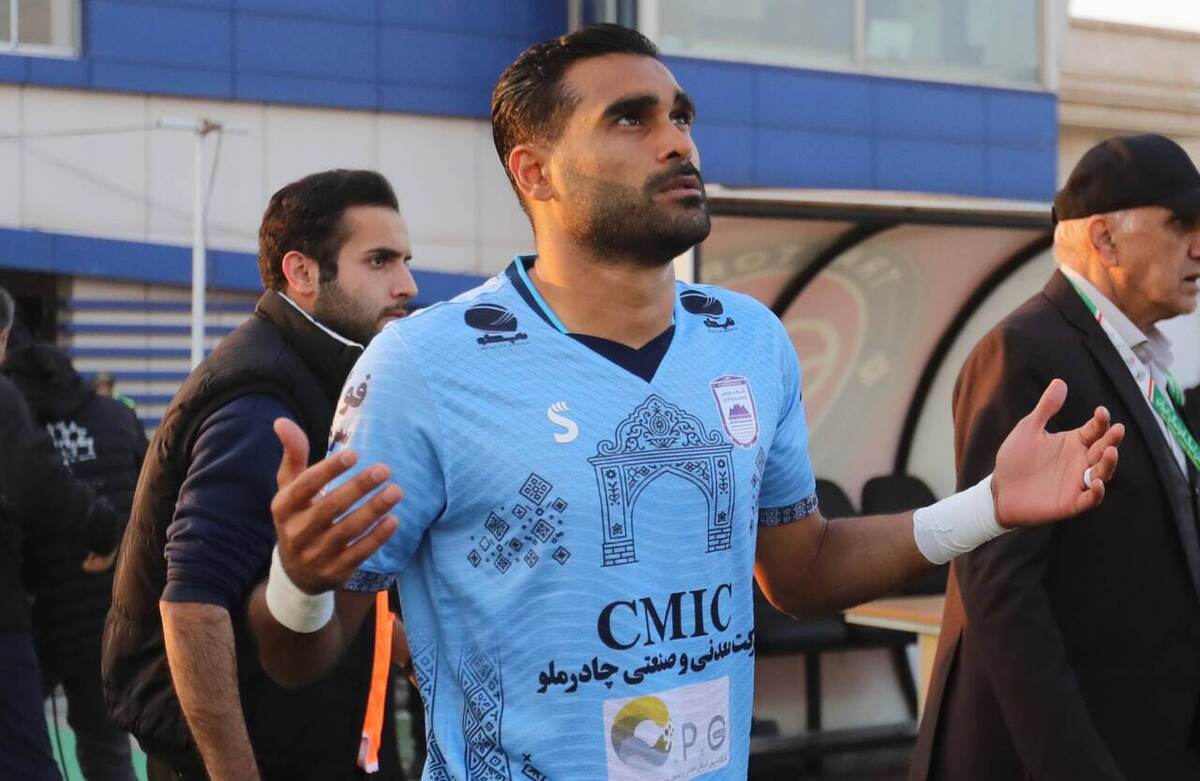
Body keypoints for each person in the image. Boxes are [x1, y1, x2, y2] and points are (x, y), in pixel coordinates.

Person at [248, 26, 1125, 781]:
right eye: (630, 118)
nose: (677, 141)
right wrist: (298, 581)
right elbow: (299, 656)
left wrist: (986, 507)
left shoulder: (748, 339)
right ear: (536, 171)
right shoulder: (428, 364)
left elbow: (802, 568)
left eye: (681, 116)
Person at [101, 170, 417, 781]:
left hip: (301, 735)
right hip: (240, 754)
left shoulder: (323, 372)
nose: (407, 284)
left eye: (405, 260)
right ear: (302, 272)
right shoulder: (259, 400)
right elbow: (191, 604)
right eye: (379, 260)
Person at [909, 134, 1200, 780]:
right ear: (1105, 239)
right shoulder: (1026, 351)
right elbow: (1002, 589)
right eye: (1182, 223)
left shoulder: (1146, 360)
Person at [4, 334, 147, 781]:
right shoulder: (118, 418)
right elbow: (151, 501)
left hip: (32, 616)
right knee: (106, 748)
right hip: (104, 613)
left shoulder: (15, 419)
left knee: (19, 747)